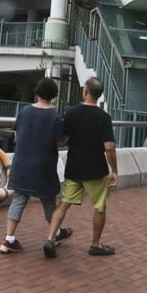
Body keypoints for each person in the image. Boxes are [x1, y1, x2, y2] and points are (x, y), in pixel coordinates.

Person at [43, 77, 118, 258]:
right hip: (96, 169)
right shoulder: (104, 118)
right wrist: (114, 170)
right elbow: (109, 147)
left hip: (74, 167)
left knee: (63, 205)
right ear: (99, 96)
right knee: (99, 207)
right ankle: (95, 244)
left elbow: (63, 139)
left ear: (85, 92)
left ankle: (51, 238)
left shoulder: (71, 113)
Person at [0, 77, 73, 253]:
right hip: (43, 166)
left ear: (37, 92)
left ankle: (9, 239)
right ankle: (55, 233)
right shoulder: (54, 116)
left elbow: (17, 134)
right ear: (53, 95)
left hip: (21, 163)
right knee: (48, 201)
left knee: (19, 199)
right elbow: (60, 141)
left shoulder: (24, 111)